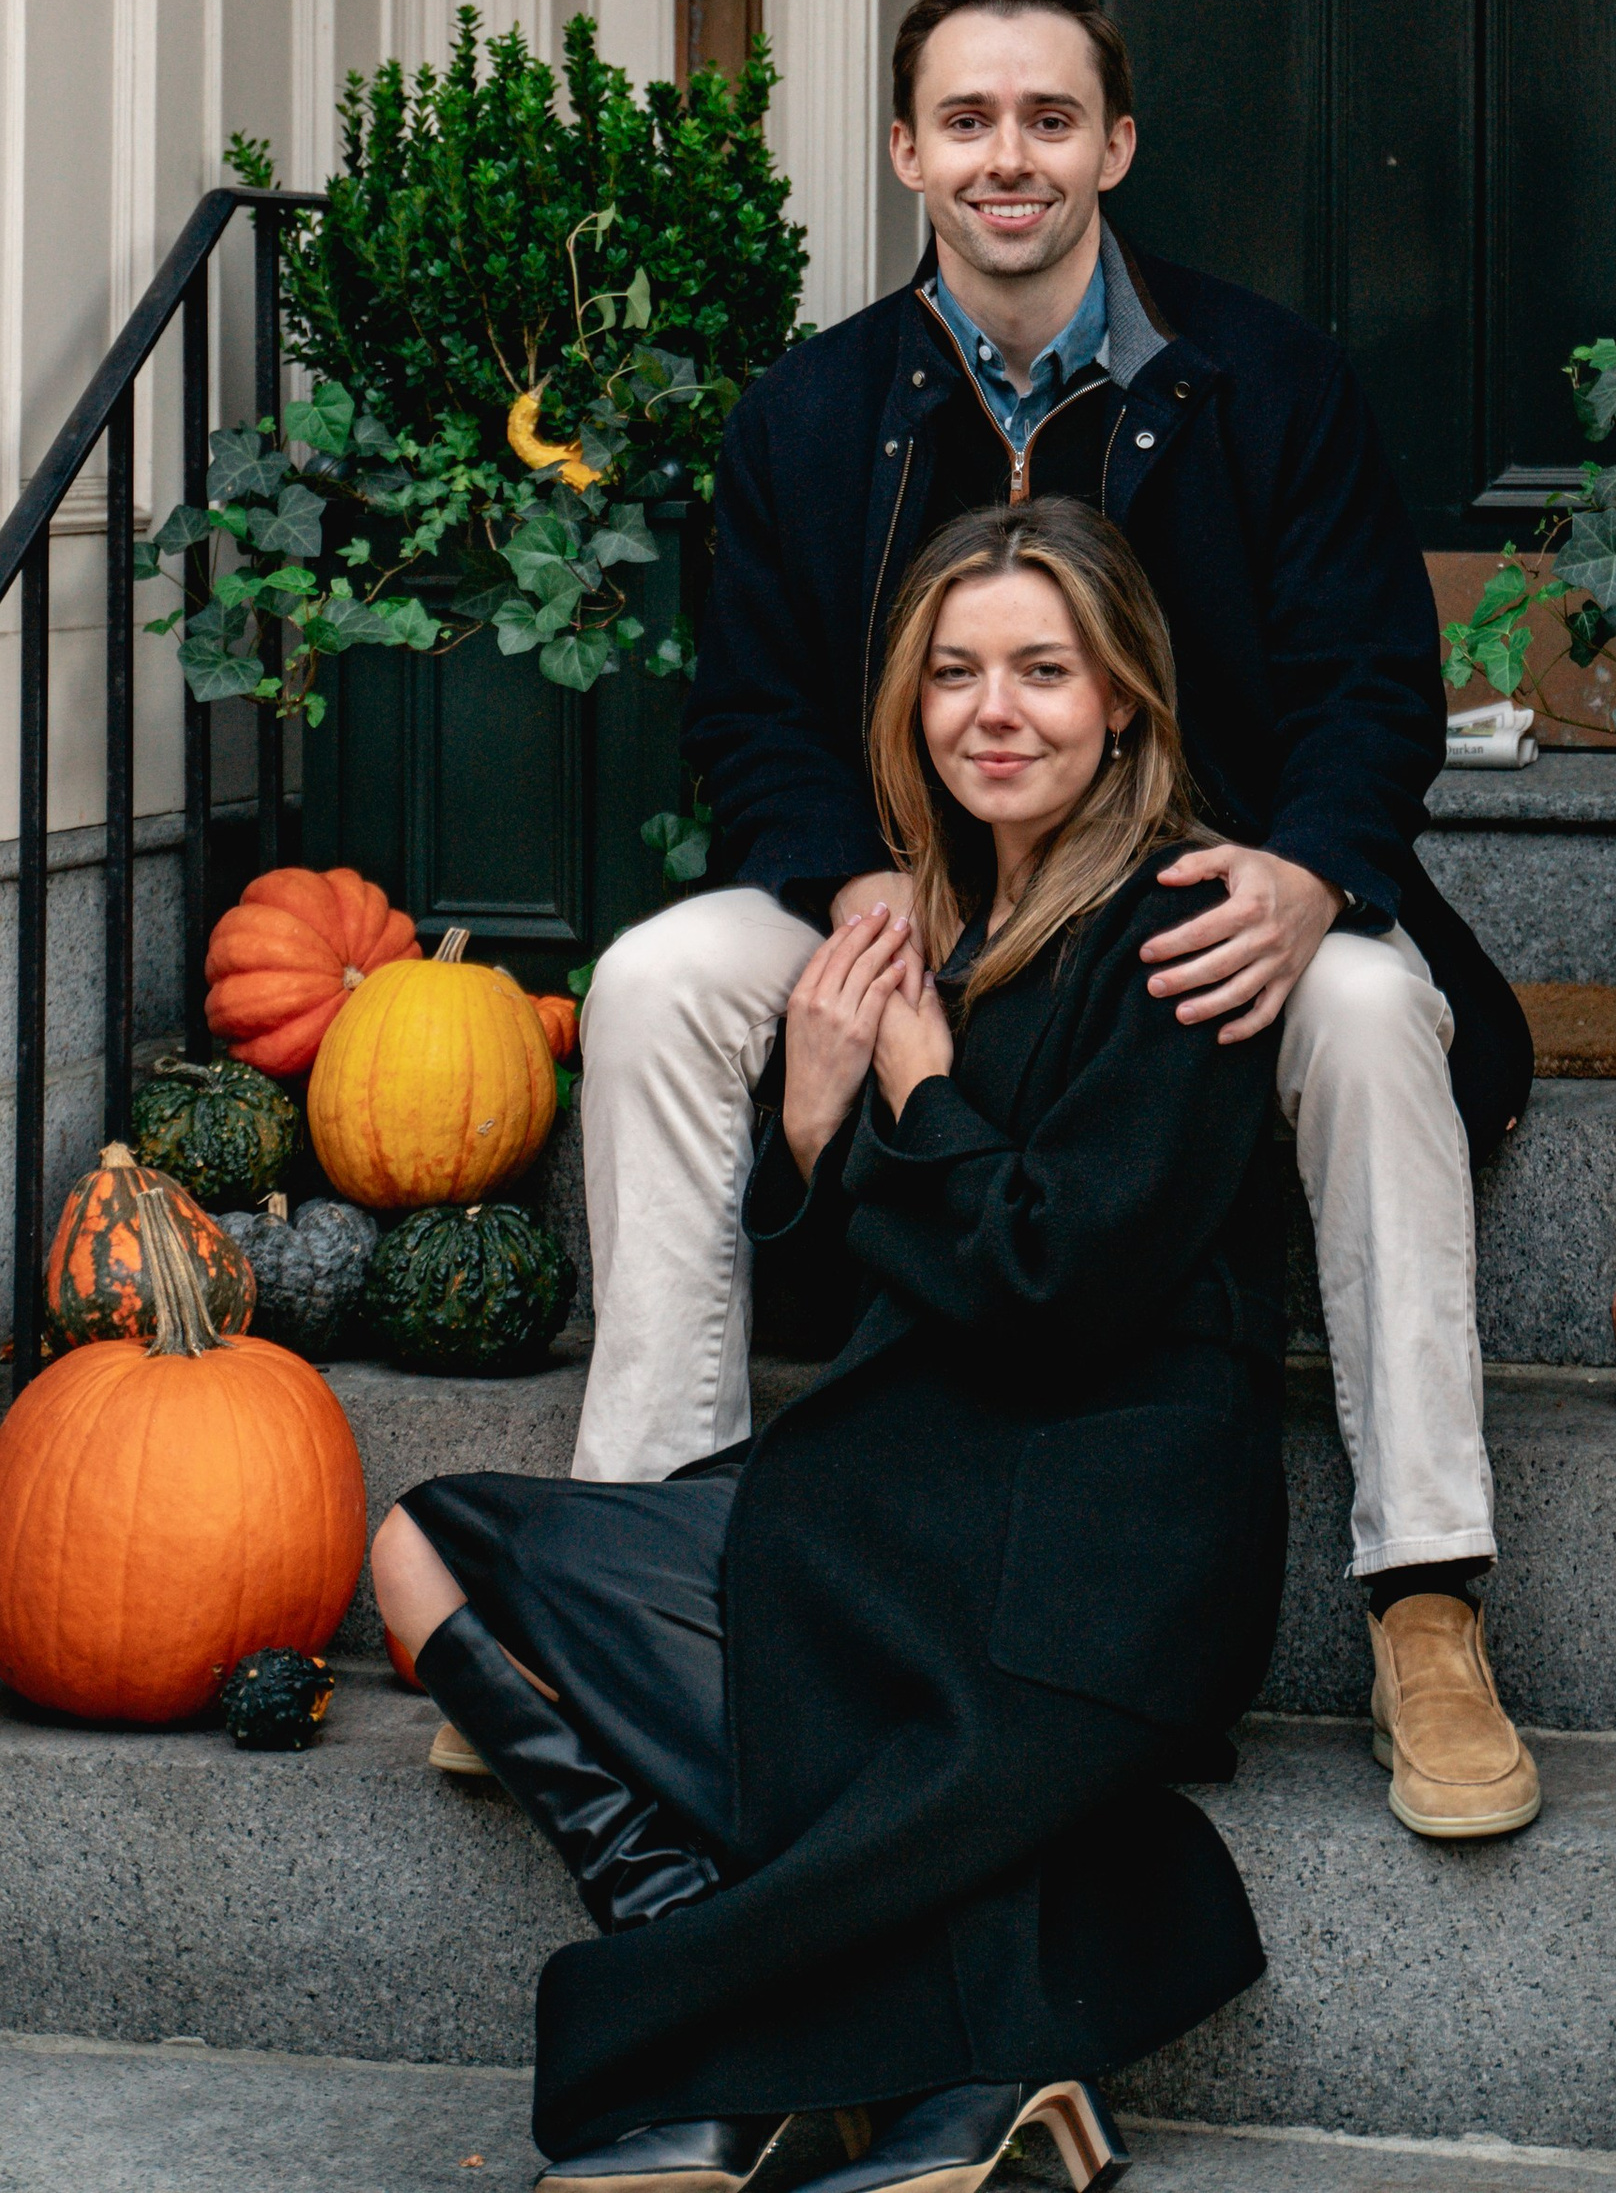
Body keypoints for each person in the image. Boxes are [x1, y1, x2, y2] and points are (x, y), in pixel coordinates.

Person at [575, 0, 1540, 1838]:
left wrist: (1310, 870)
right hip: (914, 888)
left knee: (1367, 1009)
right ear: (904, 152)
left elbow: (1373, 686)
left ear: (1115, 145)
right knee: (657, 980)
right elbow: (751, 716)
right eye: (966, 120)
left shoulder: (1267, 380)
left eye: (1045, 117)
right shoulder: (809, 413)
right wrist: (858, 880)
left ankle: (1425, 1596)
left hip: (1201, 903)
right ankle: (641, 1546)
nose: (1005, 156)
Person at [374, 502, 1287, 2193]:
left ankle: (772, 2047)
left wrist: (907, 1098)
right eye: (953, 672)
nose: (992, 711)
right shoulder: (936, 925)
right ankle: (712, 1953)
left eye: (1042, 670)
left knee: (762, 1627)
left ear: (1124, 704)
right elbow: (861, 1300)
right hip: (914, 1489)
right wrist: (813, 1129)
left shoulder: (1180, 927)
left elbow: (1054, 1290)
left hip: (1097, 1539)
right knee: (425, 1546)